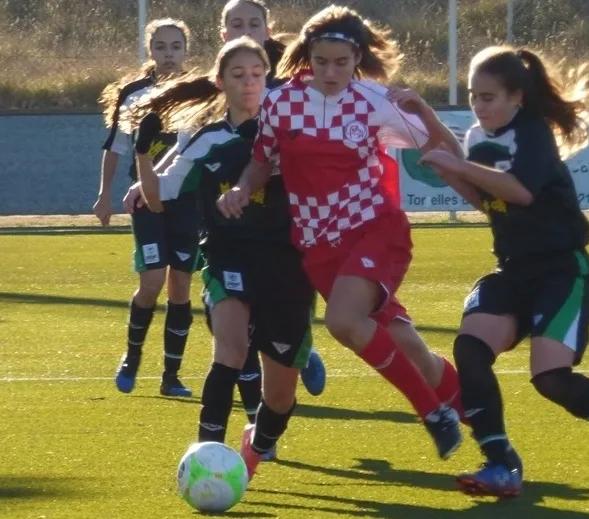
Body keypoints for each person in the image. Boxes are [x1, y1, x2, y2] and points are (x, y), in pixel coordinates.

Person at [217, 5, 465, 473]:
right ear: (307, 56)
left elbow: (449, 152)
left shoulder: (375, 101)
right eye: (322, 61)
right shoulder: (280, 102)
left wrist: (425, 111)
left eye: (342, 63)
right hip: (318, 246)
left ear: (357, 60)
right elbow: (260, 162)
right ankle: (488, 432)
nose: (331, 72)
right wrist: (241, 190)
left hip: (374, 229)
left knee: (343, 322)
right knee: (414, 353)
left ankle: (433, 414)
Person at [418, 45, 589, 498]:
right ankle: (500, 463)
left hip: (561, 270)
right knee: (470, 347)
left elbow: (521, 192)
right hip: (513, 270)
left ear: (518, 97)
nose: (478, 105)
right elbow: (487, 201)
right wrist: (442, 154)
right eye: (473, 95)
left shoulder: (532, 133)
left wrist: (455, 163)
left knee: (550, 379)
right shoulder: (476, 137)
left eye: (488, 96)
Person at [123, 36, 306, 480]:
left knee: (280, 395)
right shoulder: (207, 139)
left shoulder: (294, 132)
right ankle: (207, 452)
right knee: (231, 346)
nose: (249, 83)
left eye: (258, 75)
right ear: (221, 83)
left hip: (286, 265)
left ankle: (258, 443)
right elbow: (157, 197)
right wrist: (144, 154)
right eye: (239, 75)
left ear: (269, 79)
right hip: (227, 255)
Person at [219, 0, 327, 460]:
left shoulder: (288, 93)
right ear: (222, 33)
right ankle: (232, 437)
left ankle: (300, 349)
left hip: (287, 240)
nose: (246, 29)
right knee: (231, 334)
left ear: (269, 30)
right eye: (236, 23)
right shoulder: (219, 88)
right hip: (232, 236)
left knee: (277, 360)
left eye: (254, 22)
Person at [96, 18, 197, 397]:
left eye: (175, 47)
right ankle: (132, 357)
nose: (168, 54)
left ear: (186, 51)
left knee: (181, 285)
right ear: (150, 51)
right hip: (145, 200)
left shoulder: (198, 93)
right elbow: (115, 147)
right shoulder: (135, 94)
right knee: (152, 281)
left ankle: (171, 376)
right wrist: (104, 193)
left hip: (187, 199)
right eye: (161, 47)